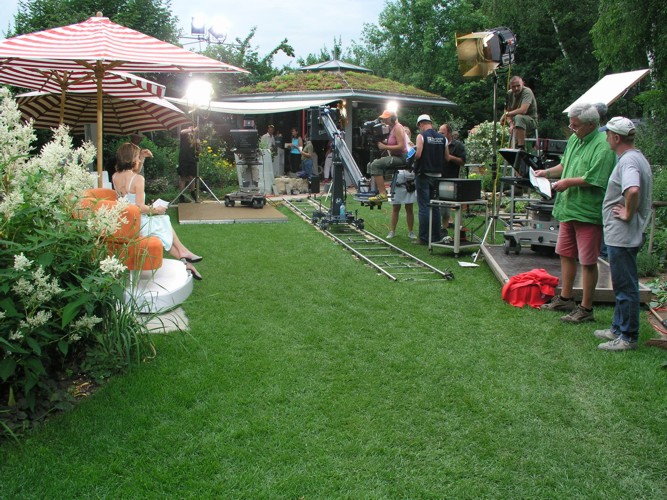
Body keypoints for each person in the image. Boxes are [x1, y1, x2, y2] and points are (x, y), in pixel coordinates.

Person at [535, 103, 616, 322]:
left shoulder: (603, 146)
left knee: (588, 261)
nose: (572, 128)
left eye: (576, 125)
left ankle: (586, 309)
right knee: (565, 254)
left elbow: (596, 178)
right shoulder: (574, 139)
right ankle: (565, 298)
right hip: (568, 208)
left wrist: (568, 183)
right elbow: (564, 165)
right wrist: (546, 172)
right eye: (571, 124)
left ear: (591, 125)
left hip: (588, 212)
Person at [595, 117, 653, 351]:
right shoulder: (635, 157)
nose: (606, 138)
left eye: (608, 134)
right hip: (623, 234)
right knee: (621, 283)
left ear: (616, 138)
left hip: (623, 234)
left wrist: (628, 212)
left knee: (625, 285)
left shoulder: (628, 161)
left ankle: (627, 337)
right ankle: (617, 328)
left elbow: (633, 189)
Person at [112, 142, 203, 280]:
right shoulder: (138, 179)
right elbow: (139, 207)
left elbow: (131, 182)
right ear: (131, 159)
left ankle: (186, 261)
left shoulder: (115, 176)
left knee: (163, 226)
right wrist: (156, 209)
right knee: (163, 220)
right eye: (137, 157)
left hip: (126, 222)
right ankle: (183, 253)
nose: (138, 160)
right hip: (138, 224)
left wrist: (142, 158)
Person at [413, 114, 449, 245]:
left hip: (424, 174)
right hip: (437, 176)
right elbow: (447, 157)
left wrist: (412, 153)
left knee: (424, 207)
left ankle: (423, 237)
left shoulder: (421, 136)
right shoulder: (443, 138)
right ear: (430, 123)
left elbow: (418, 155)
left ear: (421, 124)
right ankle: (436, 236)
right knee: (435, 207)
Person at [368, 110, 407, 203]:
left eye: (386, 118)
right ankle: (375, 190)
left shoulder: (398, 128)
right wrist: (380, 141)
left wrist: (385, 147)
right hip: (396, 156)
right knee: (370, 164)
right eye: (383, 118)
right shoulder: (391, 128)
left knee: (376, 165)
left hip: (401, 157)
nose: (384, 120)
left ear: (393, 118)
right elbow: (392, 142)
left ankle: (383, 194)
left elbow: (401, 146)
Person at [387, 126, 417, 239]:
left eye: (407, 133)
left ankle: (411, 231)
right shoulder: (396, 148)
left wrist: (414, 148)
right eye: (404, 133)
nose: (406, 135)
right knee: (396, 207)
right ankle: (392, 231)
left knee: (409, 207)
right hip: (398, 177)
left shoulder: (413, 147)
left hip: (409, 178)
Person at [438, 123, 467, 234]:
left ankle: (456, 230)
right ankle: (442, 229)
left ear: (449, 133)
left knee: (451, 207)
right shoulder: (438, 144)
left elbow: (462, 161)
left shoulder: (458, 145)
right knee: (441, 207)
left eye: (442, 133)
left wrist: (450, 157)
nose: (440, 135)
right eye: (439, 133)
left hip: (452, 179)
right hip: (439, 178)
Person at [501, 76, 538, 149]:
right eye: (513, 86)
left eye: (518, 86)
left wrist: (506, 114)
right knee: (516, 120)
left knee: (519, 117)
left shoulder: (527, 92)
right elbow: (508, 112)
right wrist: (511, 124)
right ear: (510, 86)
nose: (516, 88)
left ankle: (521, 147)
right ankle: (514, 149)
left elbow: (523, 110)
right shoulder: (509, 94)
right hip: (516, 122)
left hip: (531, 121)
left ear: (523, 84)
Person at [178, 125, 199, 203]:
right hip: (183, 158)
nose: (192, 128)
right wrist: (193, 130)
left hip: (192, 159)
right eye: (191, 127)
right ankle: (181, 195)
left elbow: (199, 151)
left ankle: (192, 192)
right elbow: (182, 131)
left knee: (192, 177)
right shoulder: (184, 135)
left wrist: (199, 145)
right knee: (183, 177)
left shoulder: (194, 138)